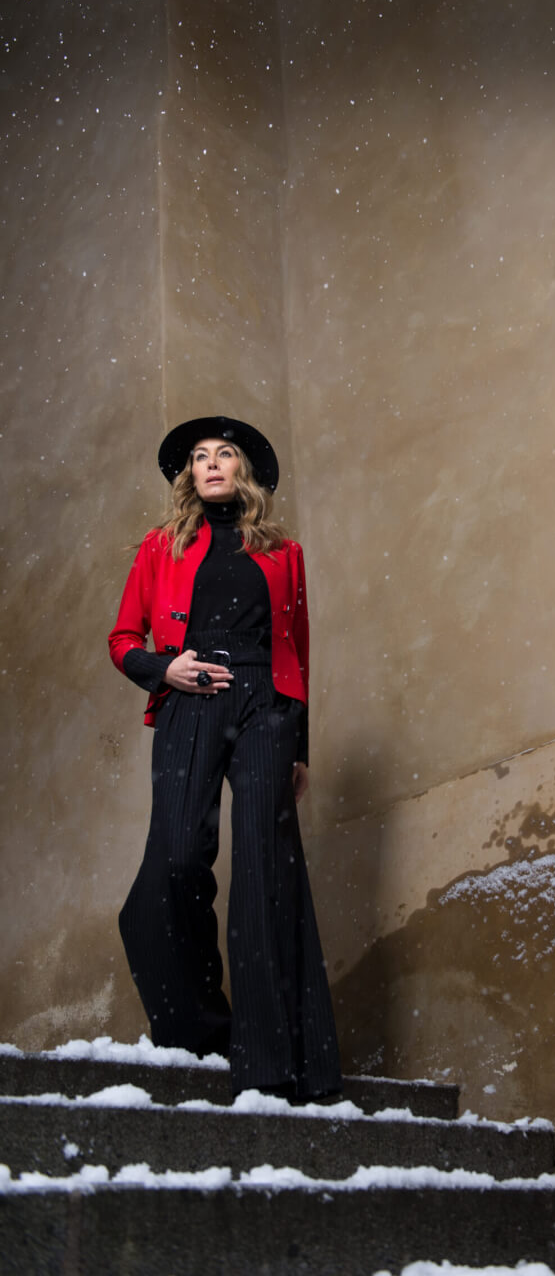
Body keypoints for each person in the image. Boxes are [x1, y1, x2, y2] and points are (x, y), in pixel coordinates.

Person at [109, 415, 341, 1102]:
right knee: (178, 857)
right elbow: (122, 639)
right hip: (192, 694)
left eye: (225, 453)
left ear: (245, 471)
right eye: (200, 457)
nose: (211, 464)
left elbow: (298, 649)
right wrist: (164, 668)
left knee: (266, 869)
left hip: (267, 706)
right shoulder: (161, 547)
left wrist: (299, 746)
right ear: (189, 475)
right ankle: (201, 1030)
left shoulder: (284, 552)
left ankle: (274, 1062)